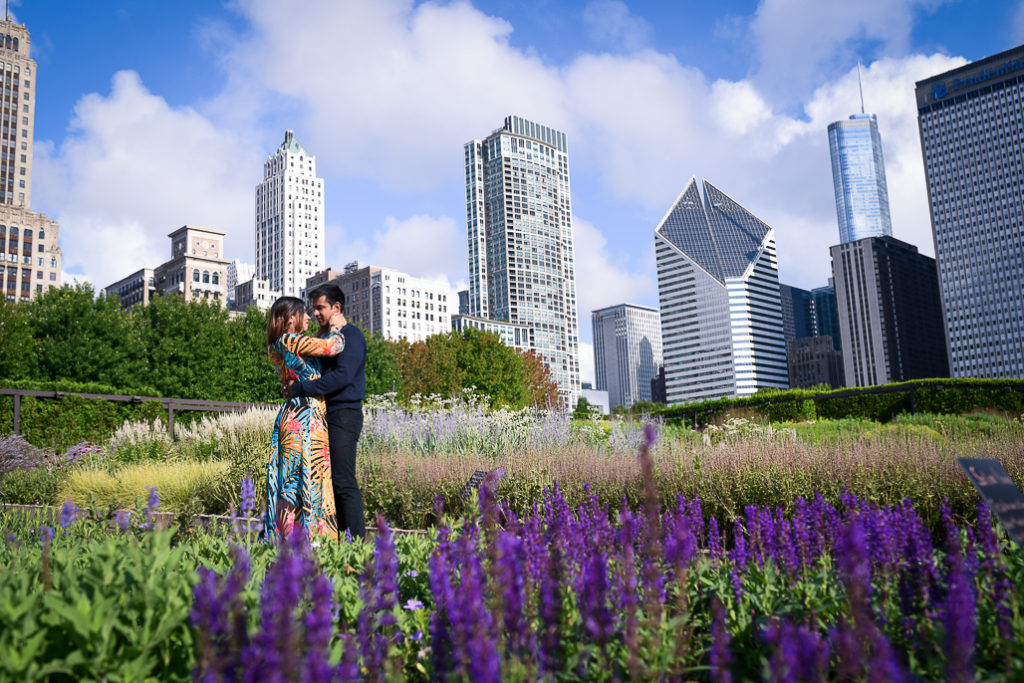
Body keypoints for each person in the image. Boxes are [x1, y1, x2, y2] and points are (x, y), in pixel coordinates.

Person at [283, 284, 367, 540]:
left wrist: (299, 388)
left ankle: (356, 546)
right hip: (321, 418)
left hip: (343, 414)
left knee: (343, 482)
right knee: (326, 485)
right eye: (314, 308)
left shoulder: (351, 336)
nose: (316, 313)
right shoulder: (327, 338)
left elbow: (340, 378)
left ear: (336, 308)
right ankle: (335, 541)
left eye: (321, 308)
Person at [264, 295, 346, 542]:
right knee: (294, 483)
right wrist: (337, 326)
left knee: (310, 479)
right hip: (301, 418)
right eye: (304, 313)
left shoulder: (288, 343)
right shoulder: (287, 340)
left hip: (309, 416)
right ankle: (292, 545)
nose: (310, 316)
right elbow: (332, 347)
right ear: (291, 319)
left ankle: (309, 542)